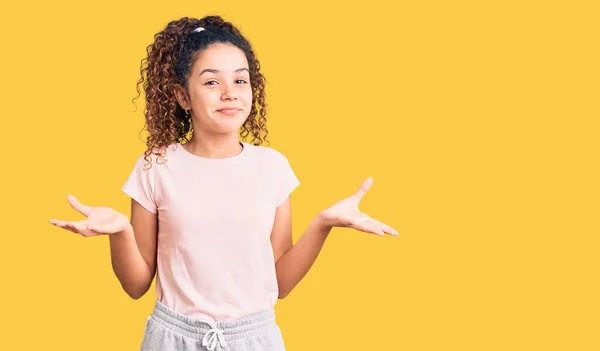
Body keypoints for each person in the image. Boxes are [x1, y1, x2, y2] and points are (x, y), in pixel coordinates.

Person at [49, 15, 398, 351]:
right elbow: (136, 285)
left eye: (240, 80)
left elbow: (281, 285)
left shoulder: (272, 167)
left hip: (254, 338)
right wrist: (120, 232)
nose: (229, 93)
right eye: (212, 81)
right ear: (183, 96)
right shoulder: (155, 167)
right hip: (173, 338)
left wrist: (323, 223)